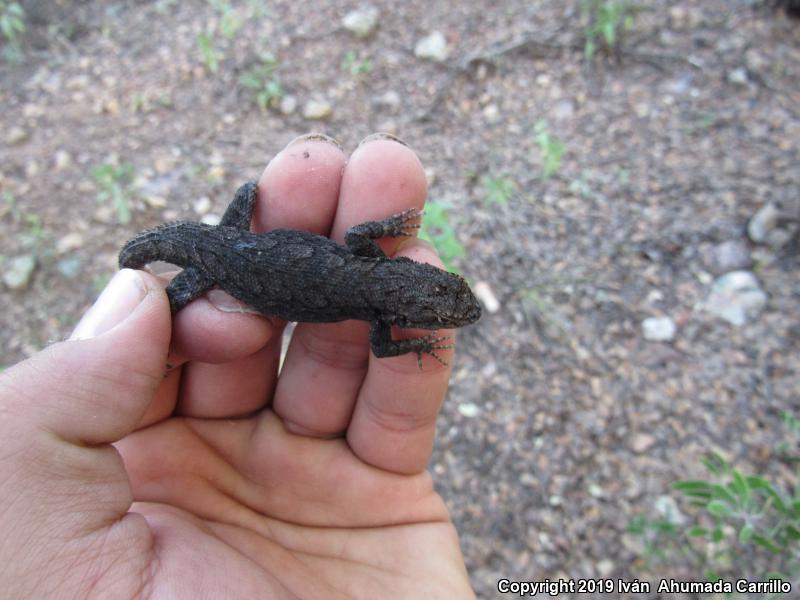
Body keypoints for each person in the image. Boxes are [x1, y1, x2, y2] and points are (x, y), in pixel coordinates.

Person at [0, 134, 476, 598]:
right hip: (219, 261)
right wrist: (416, 345)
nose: (454, 315)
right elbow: (383, 339)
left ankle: (142, 302)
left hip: (229, 243)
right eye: (442, 306)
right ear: (407, 299)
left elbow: (356, 233)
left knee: (245, 204)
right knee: (165, 309)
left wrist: (392, 223)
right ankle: (134, 310)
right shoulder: (380, 315)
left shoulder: (370, 256)